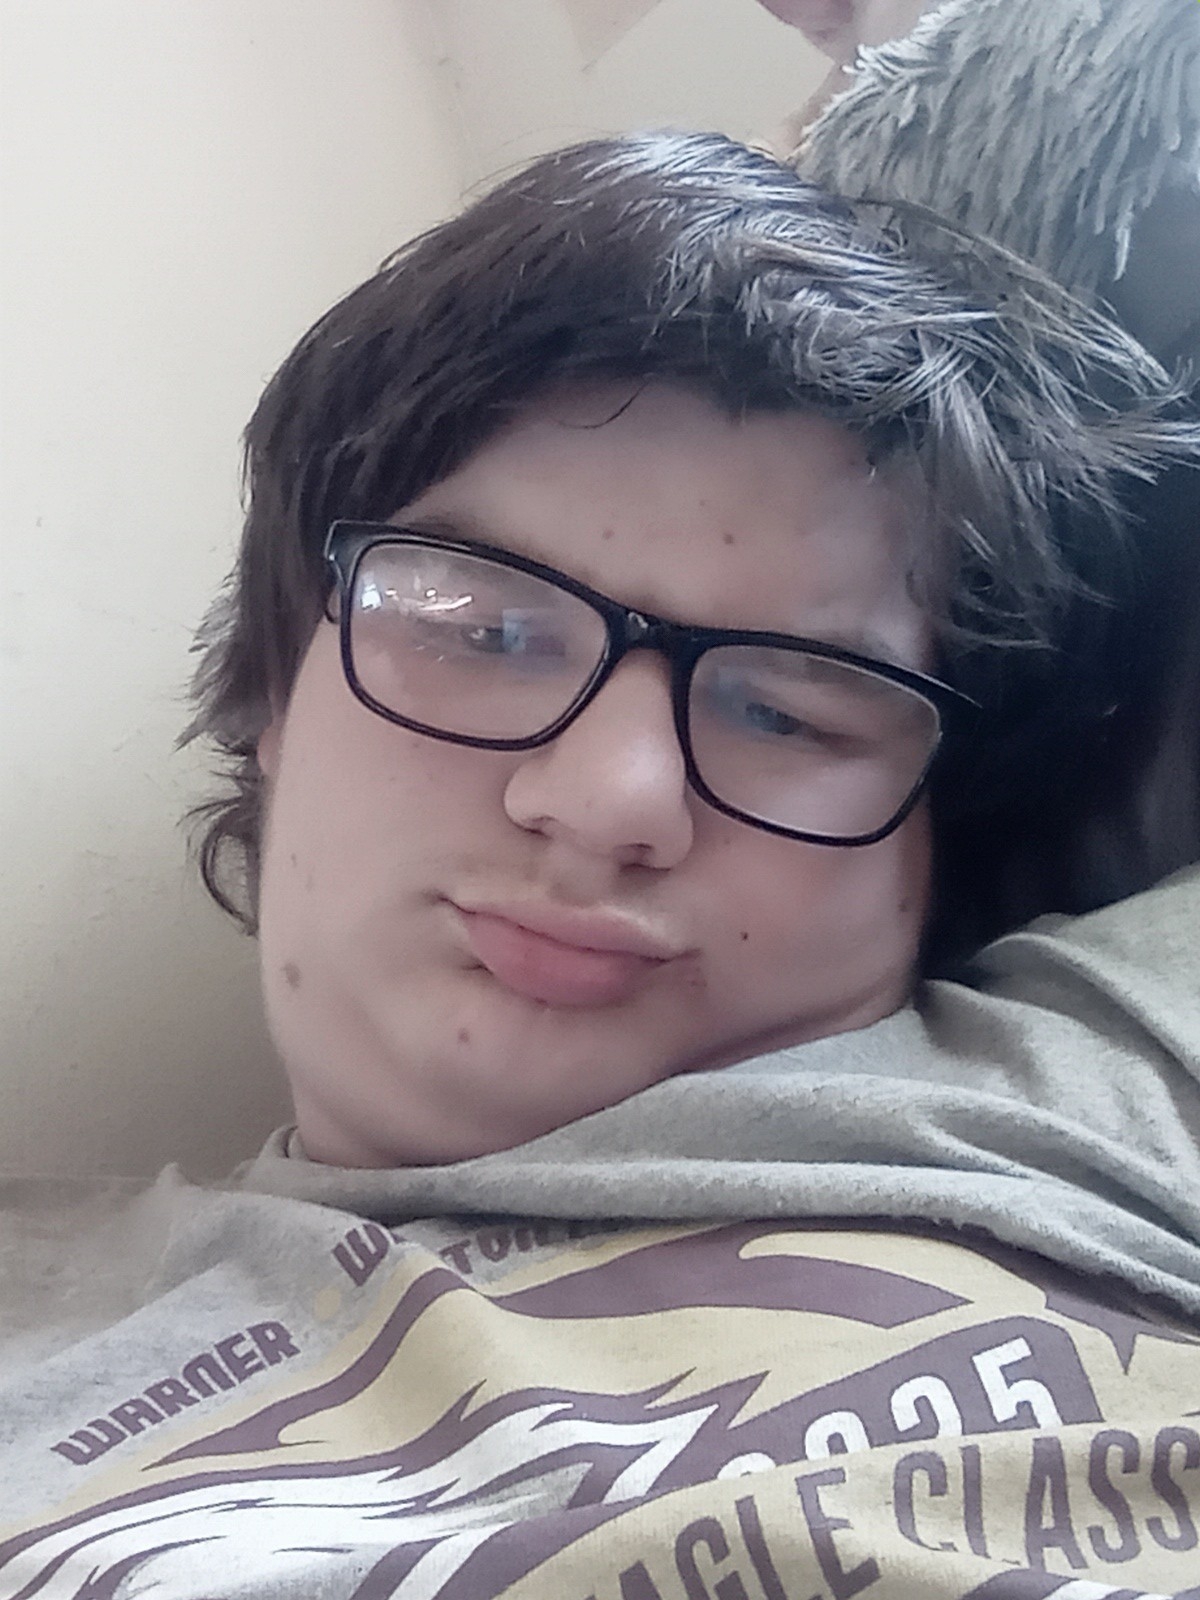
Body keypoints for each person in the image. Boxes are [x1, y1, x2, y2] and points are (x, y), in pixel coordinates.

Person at [2, 133, 1199, 1597]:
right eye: (483, 628)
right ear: (273, 697)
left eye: (789, 711)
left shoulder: (1120, 1065)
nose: (608, 799)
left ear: (930, 840)